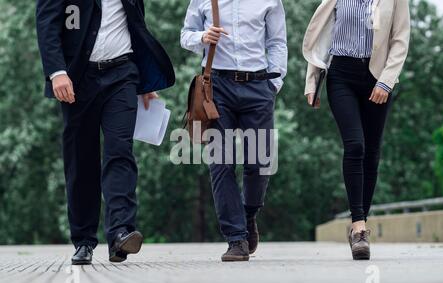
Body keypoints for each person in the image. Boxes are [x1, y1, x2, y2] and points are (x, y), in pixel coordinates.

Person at [36, 0, 175, 265]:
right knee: (81, 160)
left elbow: (136, 25)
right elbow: (46, 23)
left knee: (120, 151)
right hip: (77, 79)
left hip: (122, 75)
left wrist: (145, 82)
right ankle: (84, 241)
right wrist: (56, 72)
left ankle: (121, 233)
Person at [181, 0, 288, 261]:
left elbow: (277, 42)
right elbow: (185, 35)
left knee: (260, 162)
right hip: (218, 87)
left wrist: (274, 83)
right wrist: (202, 37)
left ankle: (249, 215)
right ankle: (236, 239)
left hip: (259, 86)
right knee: (221, 162)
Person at [303, 0, 410, 260]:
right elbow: (323, 33)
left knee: (372, 151)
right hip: (341, 75)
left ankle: (359, 225)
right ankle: (359, 225)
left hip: (378, 76)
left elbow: (400, 39)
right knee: (355, 145)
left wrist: (386, 82)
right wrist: (313, 81)